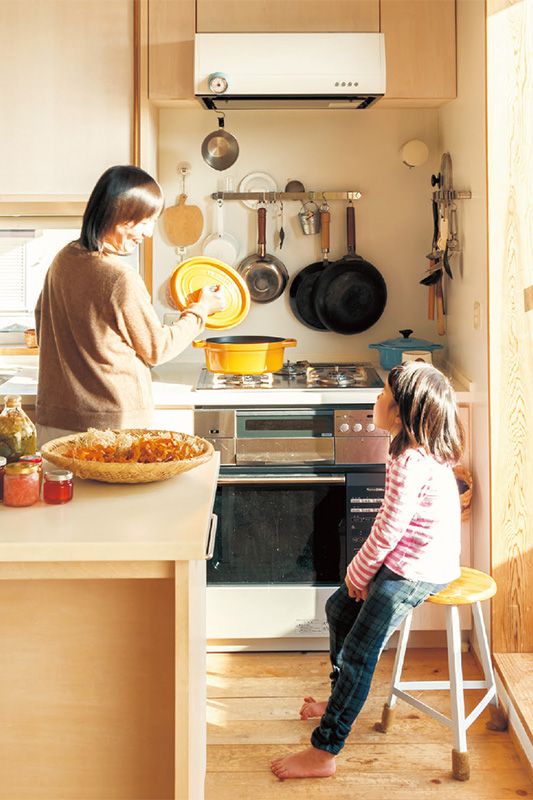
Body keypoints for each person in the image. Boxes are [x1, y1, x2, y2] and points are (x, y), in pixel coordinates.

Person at [271, 361, 464, 781]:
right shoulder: (410, 450)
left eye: (382, 396)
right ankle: (342, 696)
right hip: (408, 560)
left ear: (398, 414)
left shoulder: (411, 462)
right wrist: (359, 578)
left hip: (415, 569)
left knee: (359, 654)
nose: (374, 400)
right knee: (339, 611)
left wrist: (358, 573)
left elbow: (389, 529)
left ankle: (325, 751)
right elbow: (393, 529)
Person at [35, 165, 225, 445]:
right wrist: (201, 310)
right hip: (112, 426)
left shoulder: (63, 259)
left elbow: (42, 320)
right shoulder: (119, 277)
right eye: (144, 221)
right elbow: (157, 349)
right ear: (117, 215)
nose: (148, 233)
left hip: (55, 423)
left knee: (62, 490)